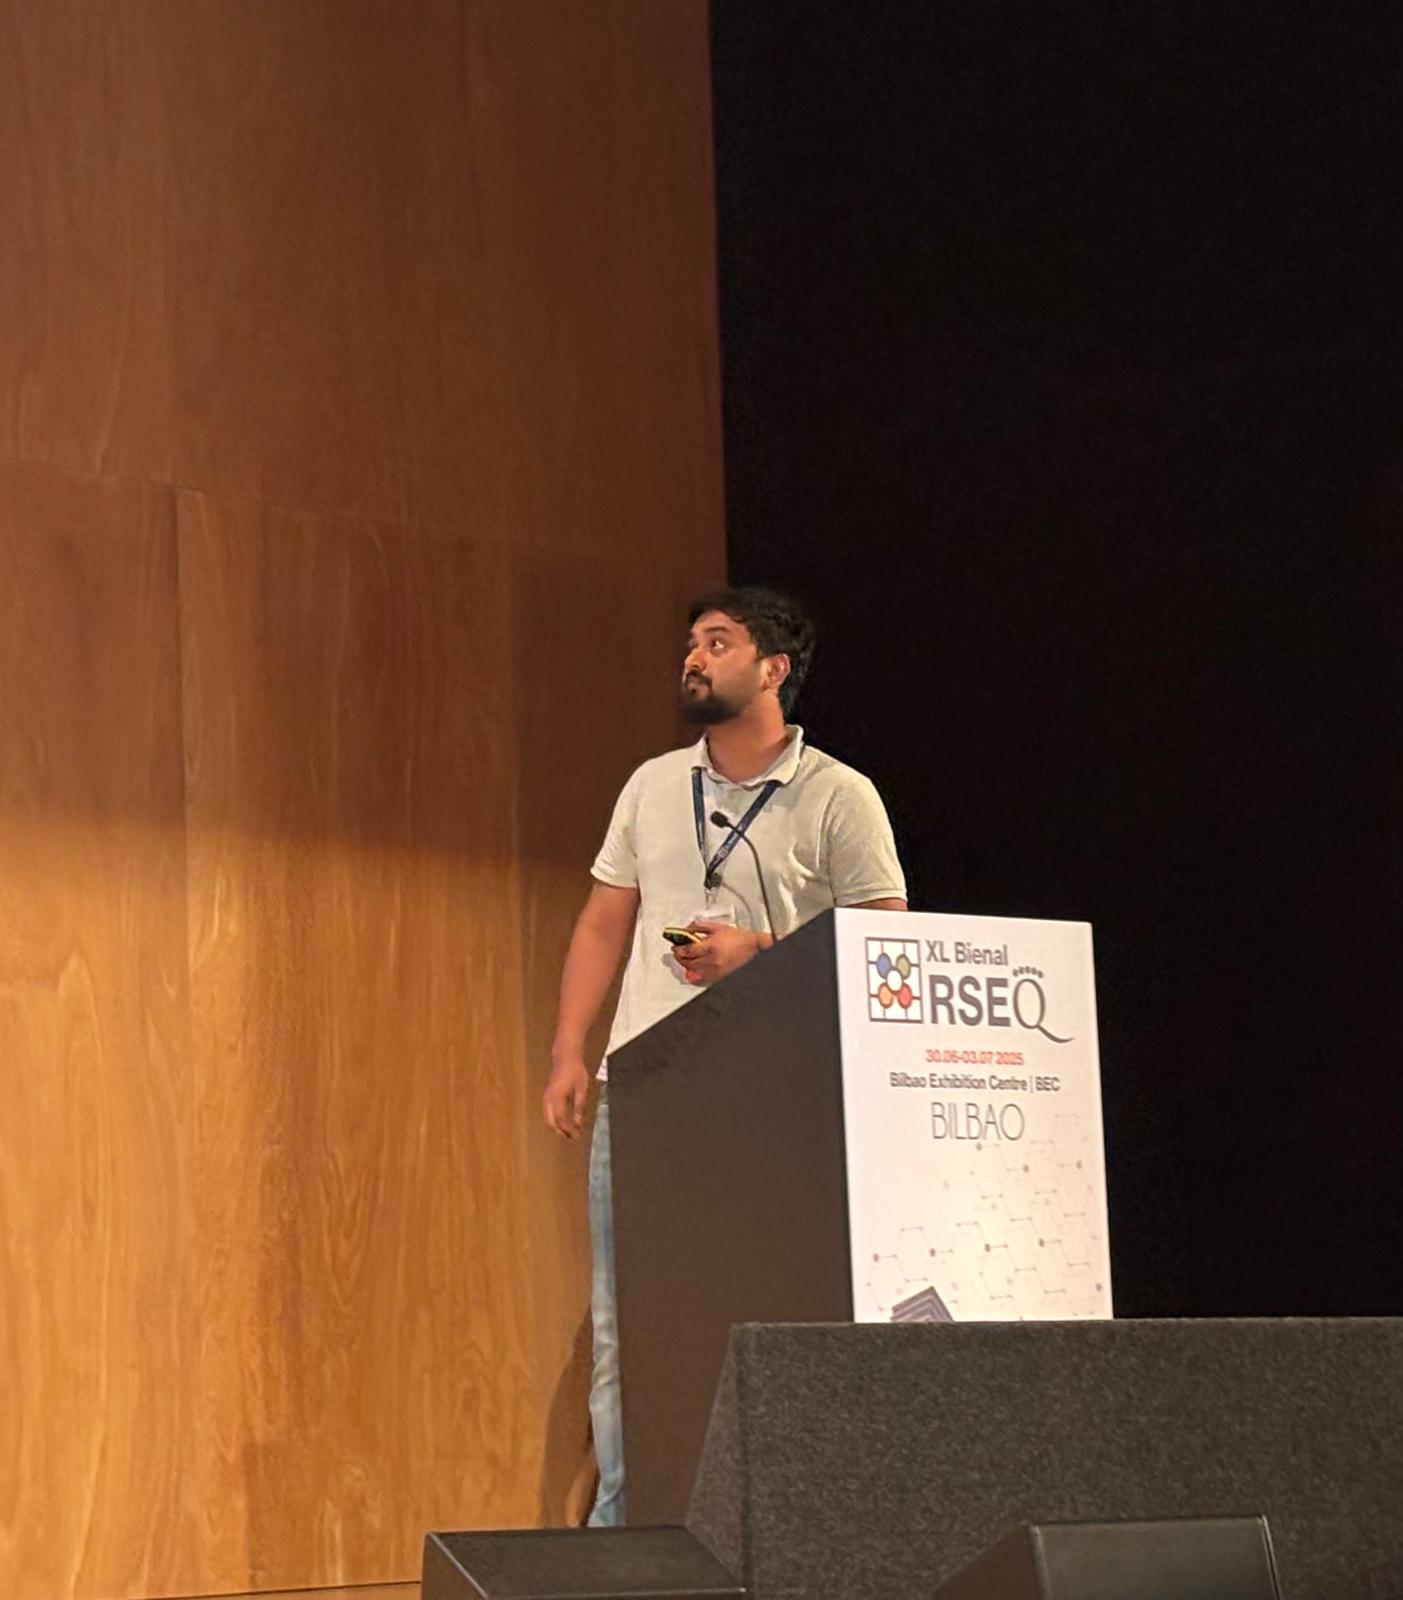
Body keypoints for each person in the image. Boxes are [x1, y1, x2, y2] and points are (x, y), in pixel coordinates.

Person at [541, 586, 907, 1526]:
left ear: (773, 669)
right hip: (648, 1091)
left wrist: (761, 951)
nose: (693, 659)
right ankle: (624, 1533)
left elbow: (887, 943)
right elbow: (602, 924)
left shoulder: (838, 794)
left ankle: (789, 1522)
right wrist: (569, 1051)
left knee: (772, 1314)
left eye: (717, 643)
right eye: (691, 644)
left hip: (776, 1097)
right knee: (627, 1327)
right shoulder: (652, 785)